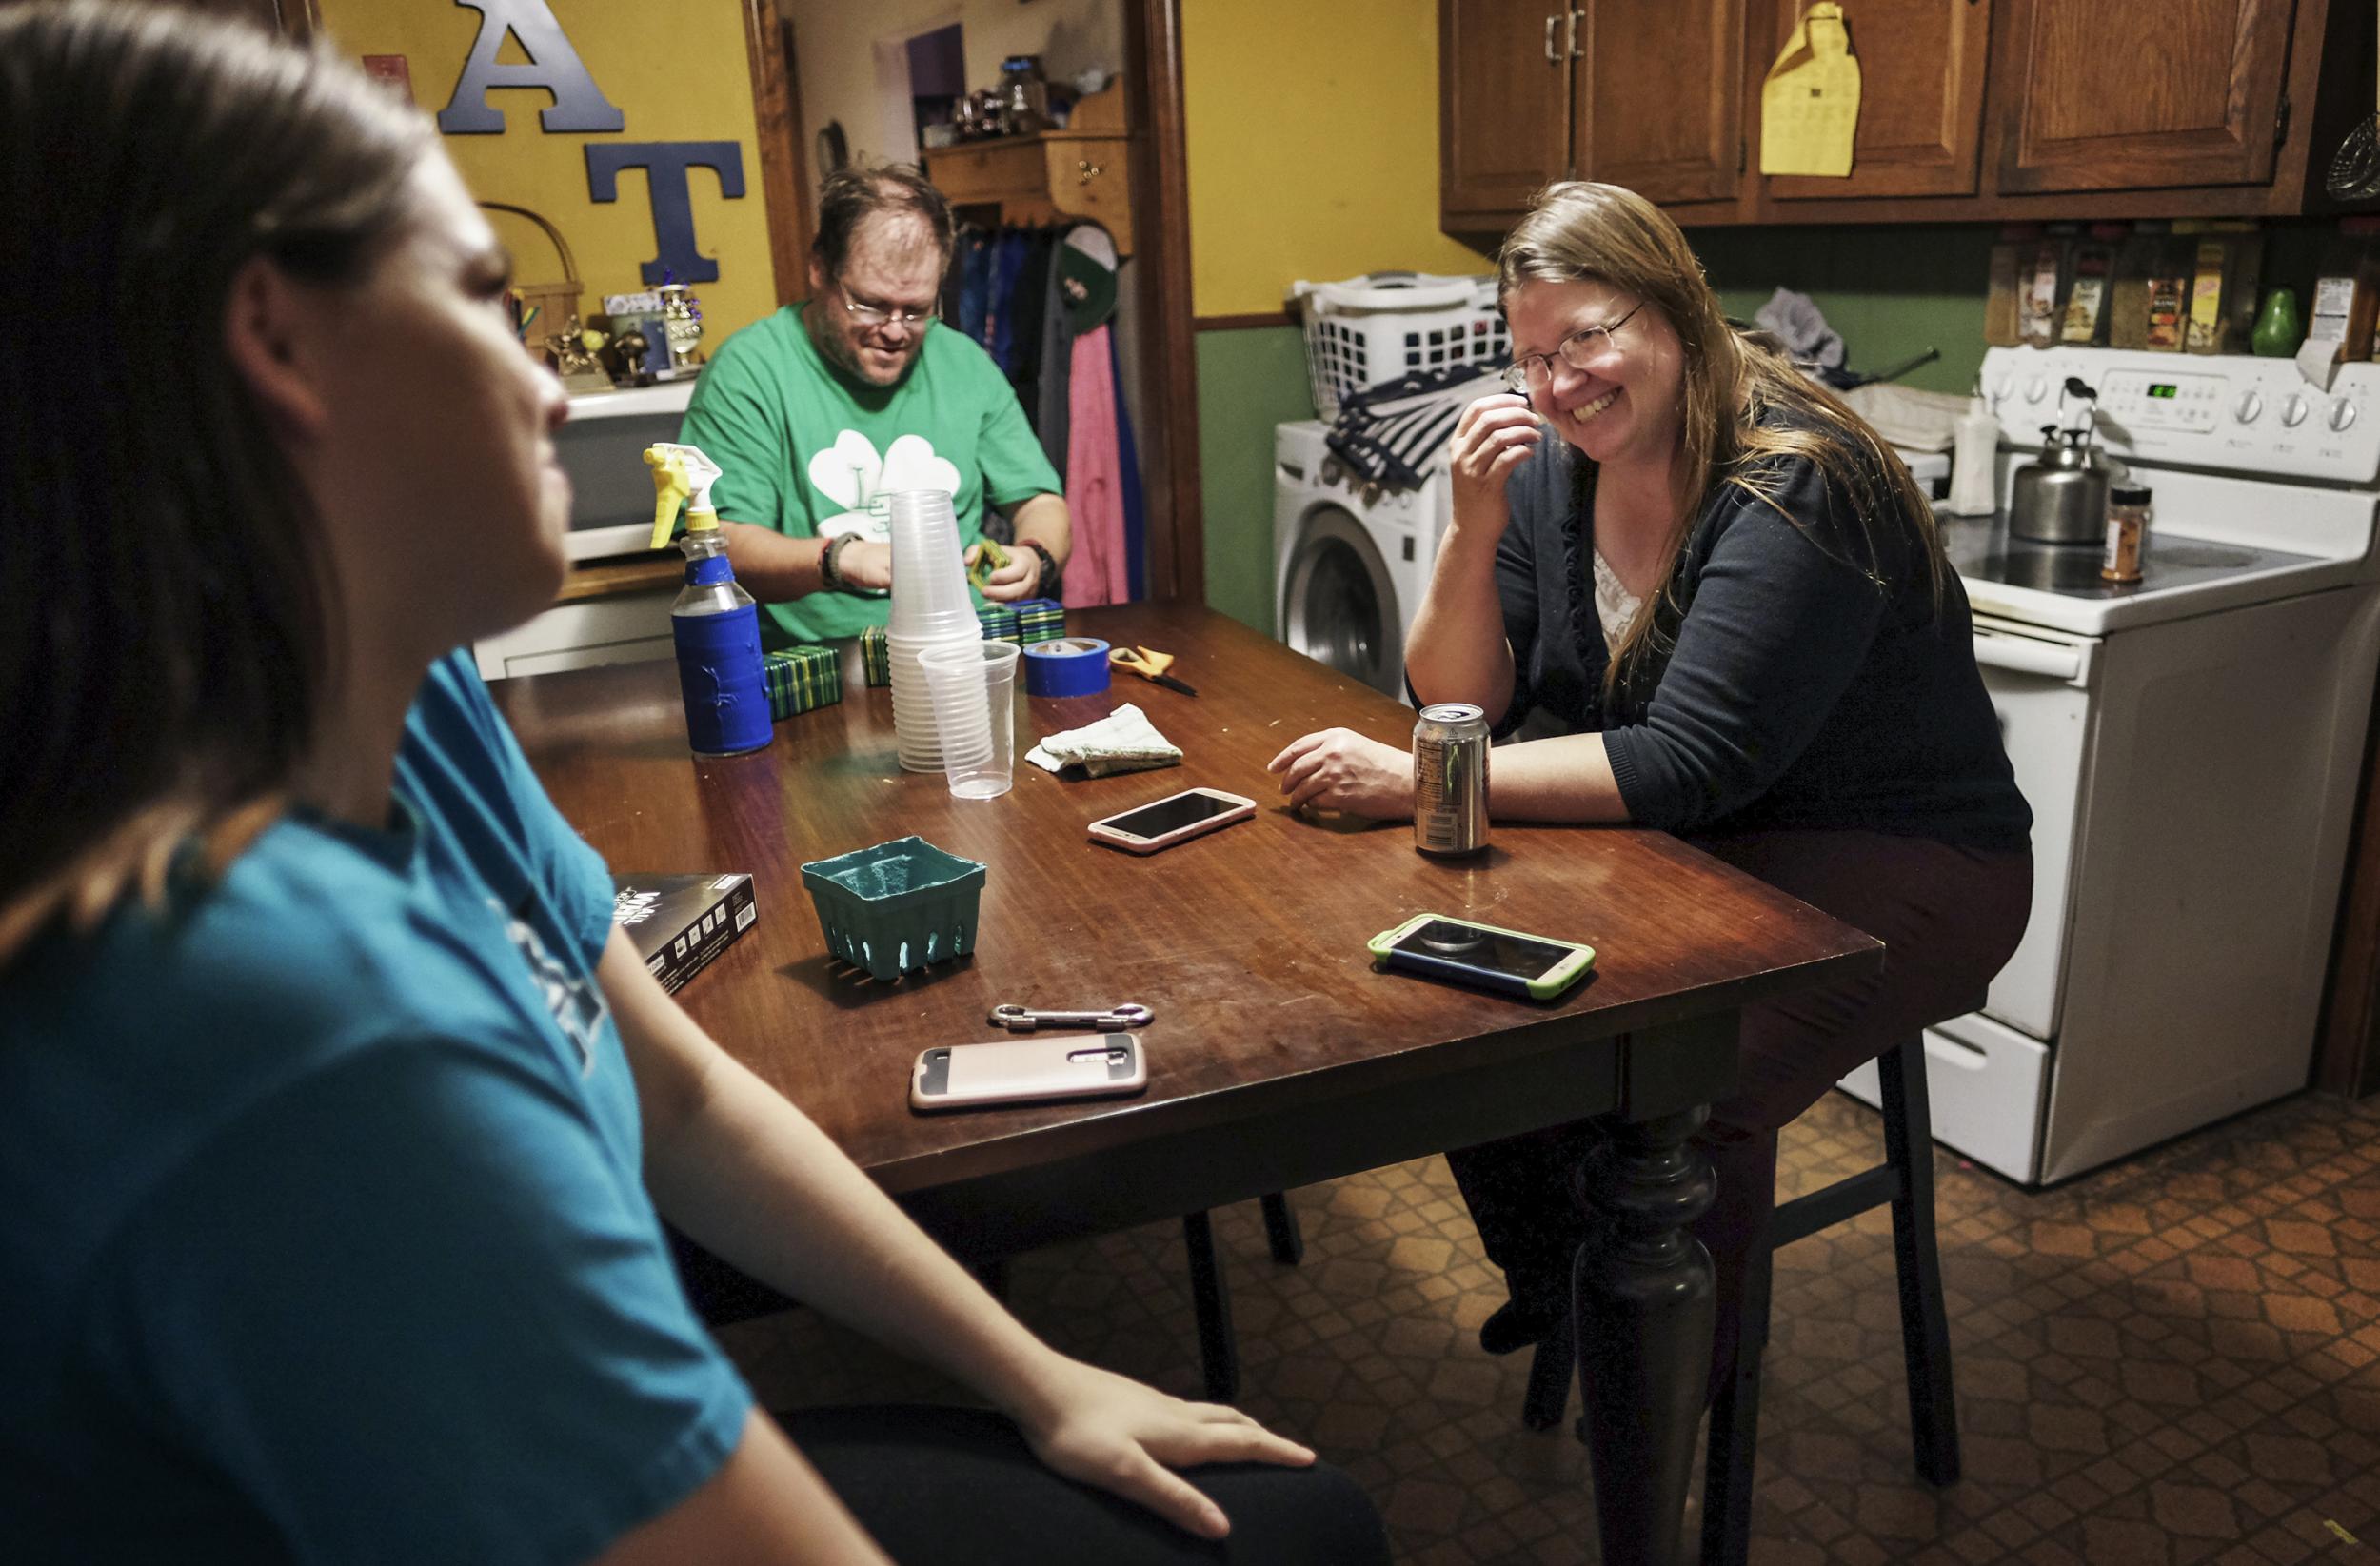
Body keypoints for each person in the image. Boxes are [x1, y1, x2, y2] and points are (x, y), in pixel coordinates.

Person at [0, 10, 1387, 1564]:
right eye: (479, 299)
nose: (545, 383)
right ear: (277, 343)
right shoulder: (284, 1024)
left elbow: (675, 1089)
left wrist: (1042, 1375)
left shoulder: (434, 709)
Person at [1267, 181, 2032, 1387]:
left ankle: (1674, 1387)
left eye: (1586, 336)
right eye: (1529, 356)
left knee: (1678, 1088)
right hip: (1711, 841)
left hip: (1904, 858)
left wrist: (1424, 781)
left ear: (1675, 311)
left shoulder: (1796, 477)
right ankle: (1582, 1287)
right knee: (1461, 989)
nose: (1559, 383)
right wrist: (1469, 523)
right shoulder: (1549, 469)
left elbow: (1687, 759)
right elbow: (1457, 699)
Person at [679, 165, 1069, 651]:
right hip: (820, 661)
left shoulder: (964, 362)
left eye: (918, 309)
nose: (895, 329)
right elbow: (719, 544)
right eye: (870, 304)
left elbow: (1041, 502)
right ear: (819, 270)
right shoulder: (749, 370)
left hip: (961, 649)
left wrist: (1035, 556)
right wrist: (836, 560)